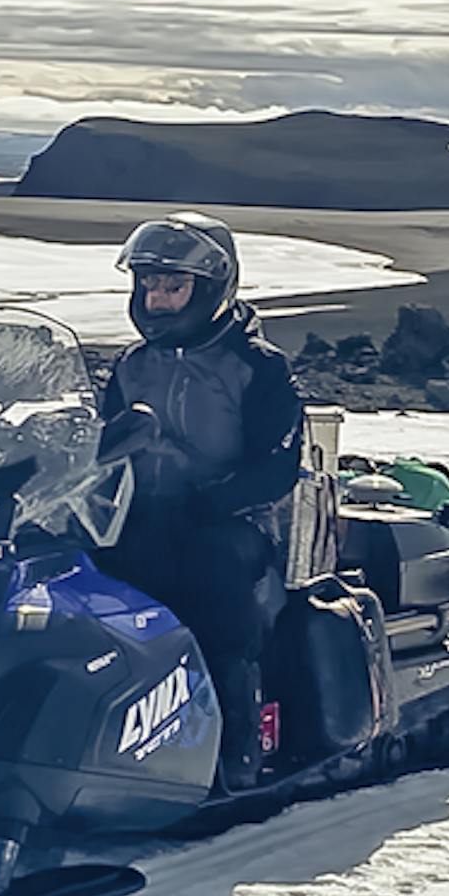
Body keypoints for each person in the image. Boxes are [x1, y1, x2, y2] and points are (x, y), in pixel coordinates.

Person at [96, 214, 307, 790]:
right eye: (149, 286)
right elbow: (100, 440)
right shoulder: (133, 364)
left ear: (211, 287)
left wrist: (210, 502)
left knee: (208, 580)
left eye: (172, 286)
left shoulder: (257, 367)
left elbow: (277, 465)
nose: (157, 299)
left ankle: (236, 746)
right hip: (138, 516)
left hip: (229, 523)